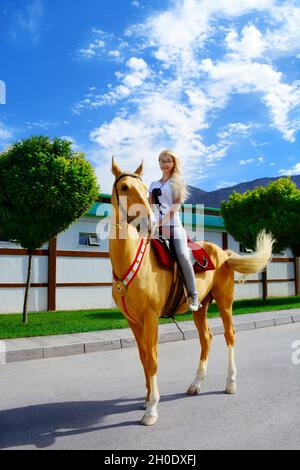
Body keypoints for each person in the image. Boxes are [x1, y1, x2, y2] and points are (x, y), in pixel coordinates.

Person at [149, 149, 201, 312]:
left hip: (173, 226)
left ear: (174, 163)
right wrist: (149, 223)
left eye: (167, 160)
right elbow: (150, 206)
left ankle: (194, 296)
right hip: (155, 227)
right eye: (161, 160)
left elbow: (176, 206)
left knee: (183, 255)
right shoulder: (152, 184)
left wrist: (161, 222)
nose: (164, 164)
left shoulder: (177, 182)